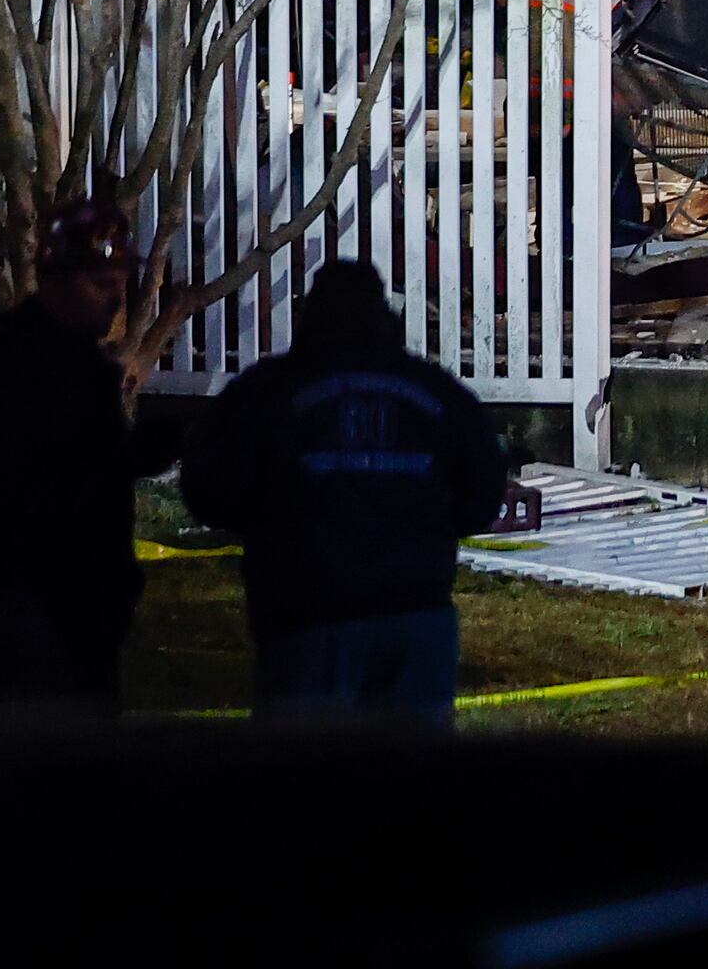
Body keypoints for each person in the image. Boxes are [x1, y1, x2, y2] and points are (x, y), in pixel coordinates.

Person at [183, 259, 518, 723]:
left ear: (309, 317)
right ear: (384, 316)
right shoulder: (438, 394)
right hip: (415, 613)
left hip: (306, 617)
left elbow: (209, 490)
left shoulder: (266, 392)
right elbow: (482, 491)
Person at [0, 202, 187, 710]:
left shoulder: (74, 363)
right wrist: (134, 455)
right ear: (56, 281)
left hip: (74, 605)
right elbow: (57, 477)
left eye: (119, 285)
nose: (114, 302)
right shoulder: (27, 371)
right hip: (33, 606)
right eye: (100, 286)